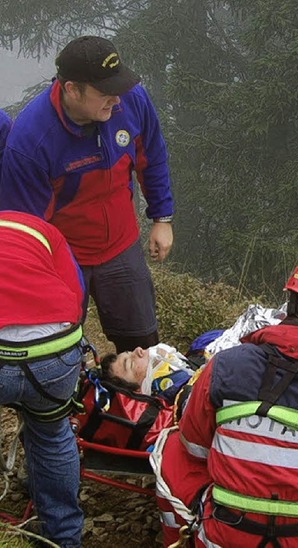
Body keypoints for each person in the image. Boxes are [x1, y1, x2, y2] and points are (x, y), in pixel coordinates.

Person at [151, 254, 298, 547]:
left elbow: (194, 445)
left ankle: (181, 535)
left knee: (173, 447)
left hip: (226, 537)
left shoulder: (225, 366)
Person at [0, 35, 175, 353]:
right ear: (72, 90)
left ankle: (142, 402)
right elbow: (24, 232)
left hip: (121, 246)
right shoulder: (31, 141)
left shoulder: (131, 99)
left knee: (142, 347)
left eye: (119, 88)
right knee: (63, 350)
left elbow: (152, 155)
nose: (117, 100)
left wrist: (162, 217)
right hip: (65, 259)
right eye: (106, 92)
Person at [0, 211, 85, 547]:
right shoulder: (38, 228)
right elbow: (76, 294)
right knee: (51, 436)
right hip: (55, 354)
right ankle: (64, 538)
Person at [101, 343, 197, 403]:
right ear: (138, 391)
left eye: (130, 352)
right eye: (131, 364)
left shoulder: (200, 349)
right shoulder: (188, 402)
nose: (139, 349)